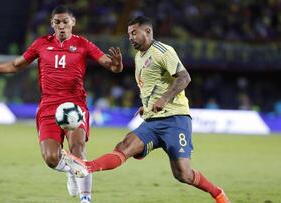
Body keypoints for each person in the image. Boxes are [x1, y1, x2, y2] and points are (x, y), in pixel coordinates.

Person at [0, 5, 122, 203]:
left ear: (73, 22)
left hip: (75, 105)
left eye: (65, 21)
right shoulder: (41, 44)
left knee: (78, 149)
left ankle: (85, 198)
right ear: (52, 24)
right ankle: (71, 171)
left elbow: (108, 63)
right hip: (49, 107)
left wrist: (116, 65)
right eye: (57, 22)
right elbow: (15, 65)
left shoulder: (83, 44)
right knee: (51, 158)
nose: (62, 26)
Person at [62, 16, 230, 203]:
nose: (131, 37)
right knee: (124, 146)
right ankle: (86, 166)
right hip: (152, 121)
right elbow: (153, 85)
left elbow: (184, 77)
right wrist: (147, 106)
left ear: (148, 31)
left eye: (134, 33)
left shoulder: (163, 51)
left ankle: (217, 193)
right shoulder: (139, 56)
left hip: (176, 120)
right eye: (129, 34)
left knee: (183, 174)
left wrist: (164, 99)